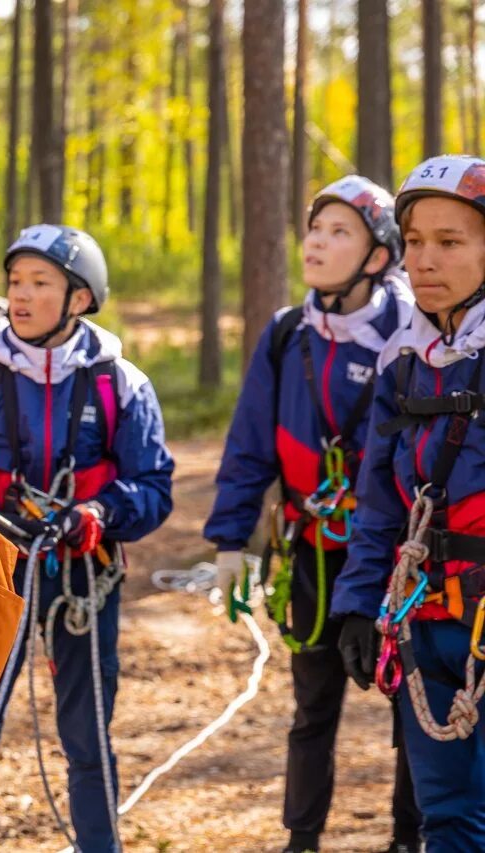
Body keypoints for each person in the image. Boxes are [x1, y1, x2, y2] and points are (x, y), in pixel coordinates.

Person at [0, 224, 175, 853]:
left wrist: (98, 512)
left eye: (42, 283)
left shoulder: (120, 384)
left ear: (81, 299)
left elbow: (153, 486)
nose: (23, 296)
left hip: (83, 576)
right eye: (16, 282)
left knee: (87, 732)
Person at [205, 175, 419, 853]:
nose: (317, 245)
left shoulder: (411, 333)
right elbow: (249, 443)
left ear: (379, 255)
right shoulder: (288, 334)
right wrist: (232, 539)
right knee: (312, 705)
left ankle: (409, 837)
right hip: (312, 550)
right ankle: (302, 840)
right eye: (314, 231)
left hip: (393, 557)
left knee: (411, 708)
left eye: (339, 233)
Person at [332, 155, 485, 852]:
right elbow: (378, 501)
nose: (425, 259)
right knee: (445, 813)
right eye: (415, 240)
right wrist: (359, 604)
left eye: (449, 242)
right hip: (426, 615)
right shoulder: (407, 358)